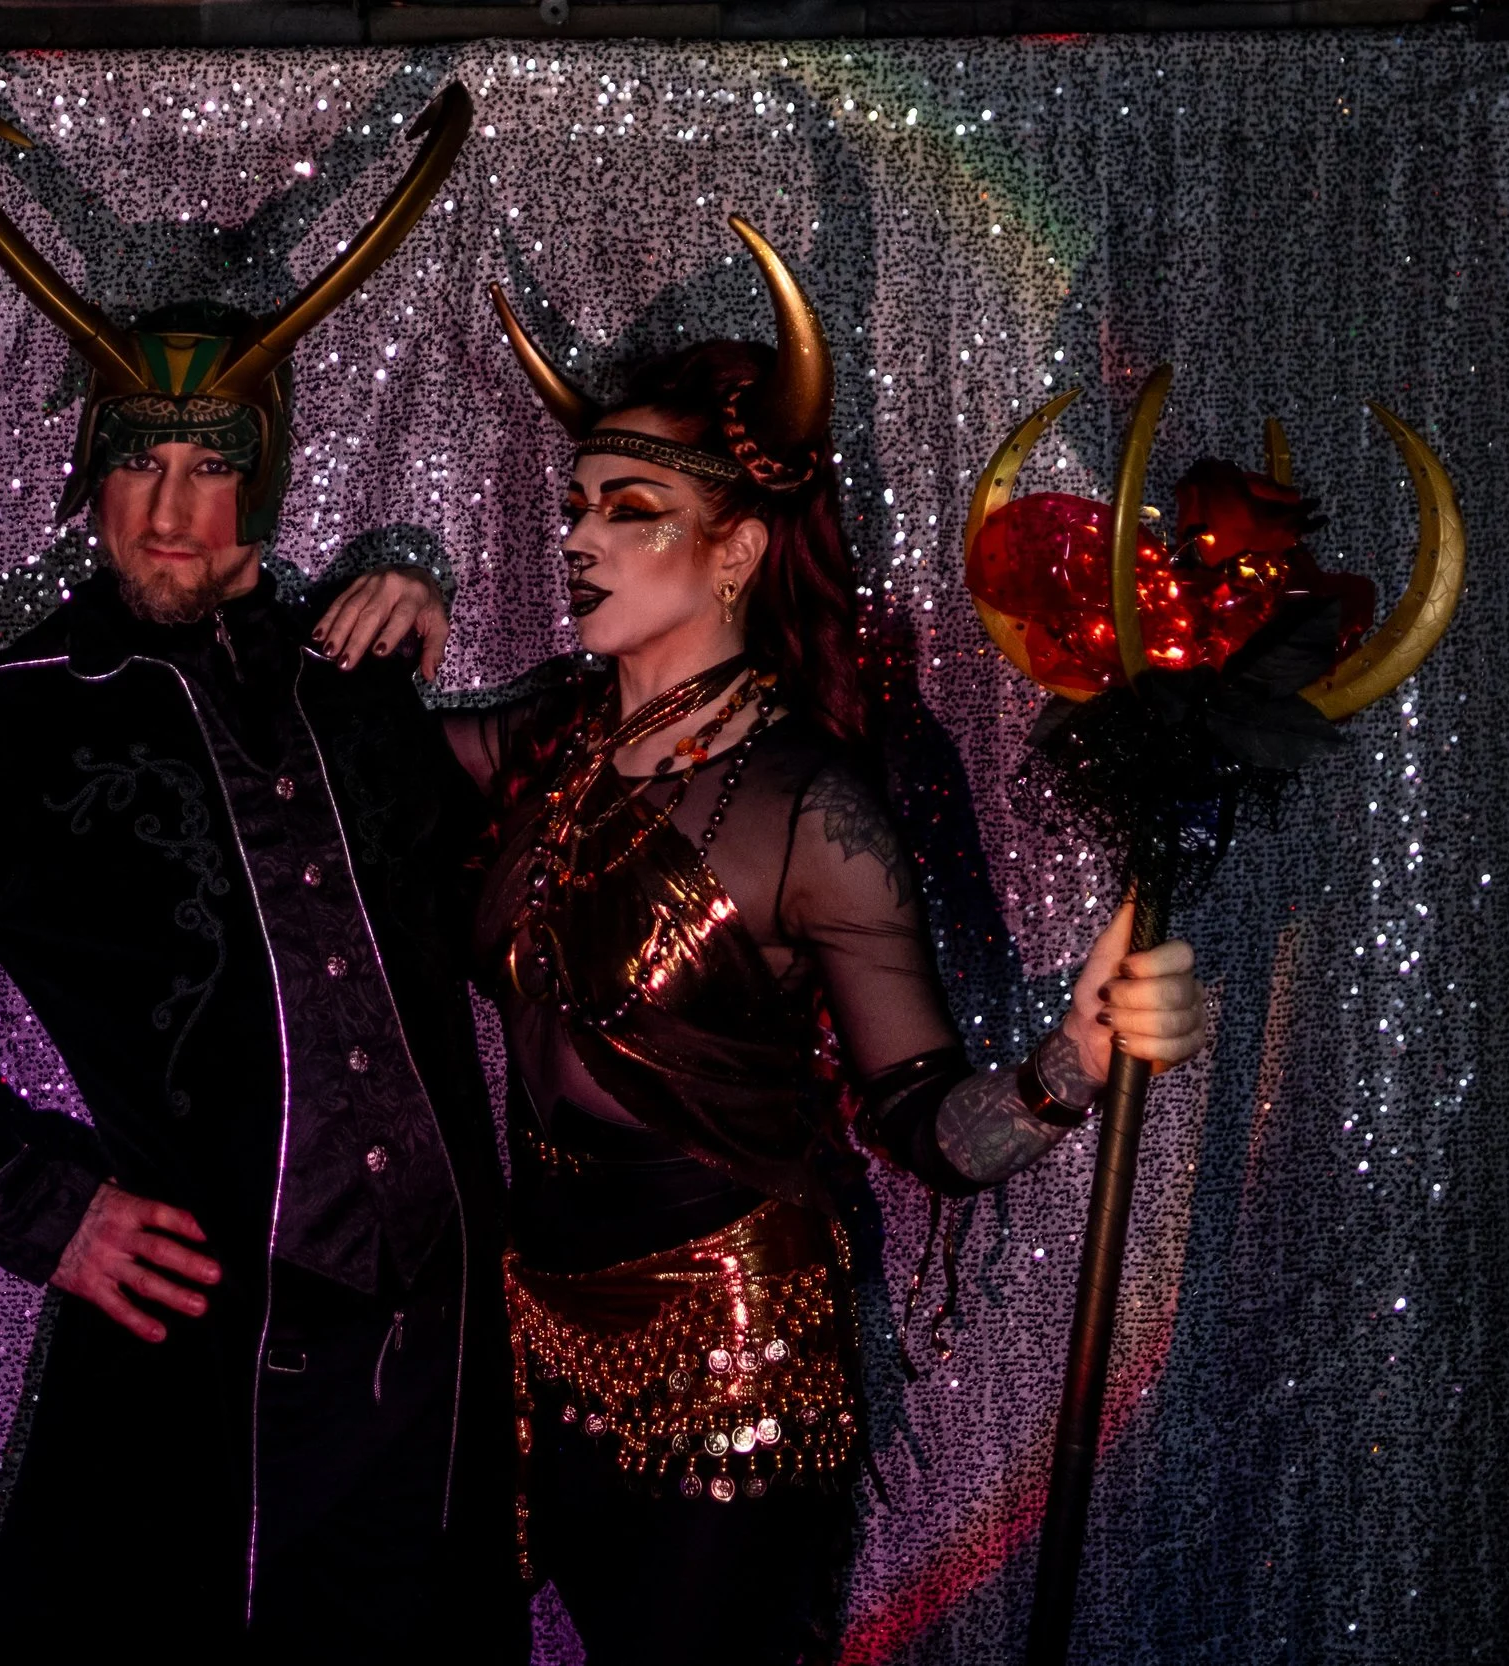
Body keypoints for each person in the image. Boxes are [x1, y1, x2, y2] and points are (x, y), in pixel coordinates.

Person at [310, 219, 1208, 1666]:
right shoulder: (547, 741)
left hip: (730, 1358)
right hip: (530, 1333)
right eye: (578, 505)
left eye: (631, 509)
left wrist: (1070, 1066)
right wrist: (383, 603)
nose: (579, 538)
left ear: (736, 548)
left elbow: (929, 1127)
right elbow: (328, 757)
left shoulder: (810, 810)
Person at [0, 86, 527, 1664]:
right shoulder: (22, 716)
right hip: (213, 1378)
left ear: (268, 473)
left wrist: (421, 601)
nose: (168, 510)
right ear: (91, 472)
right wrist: (44, 1203)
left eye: (210, 461)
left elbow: (520, 887)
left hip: (445, 1373)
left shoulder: (354, 675)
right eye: (137, 458)